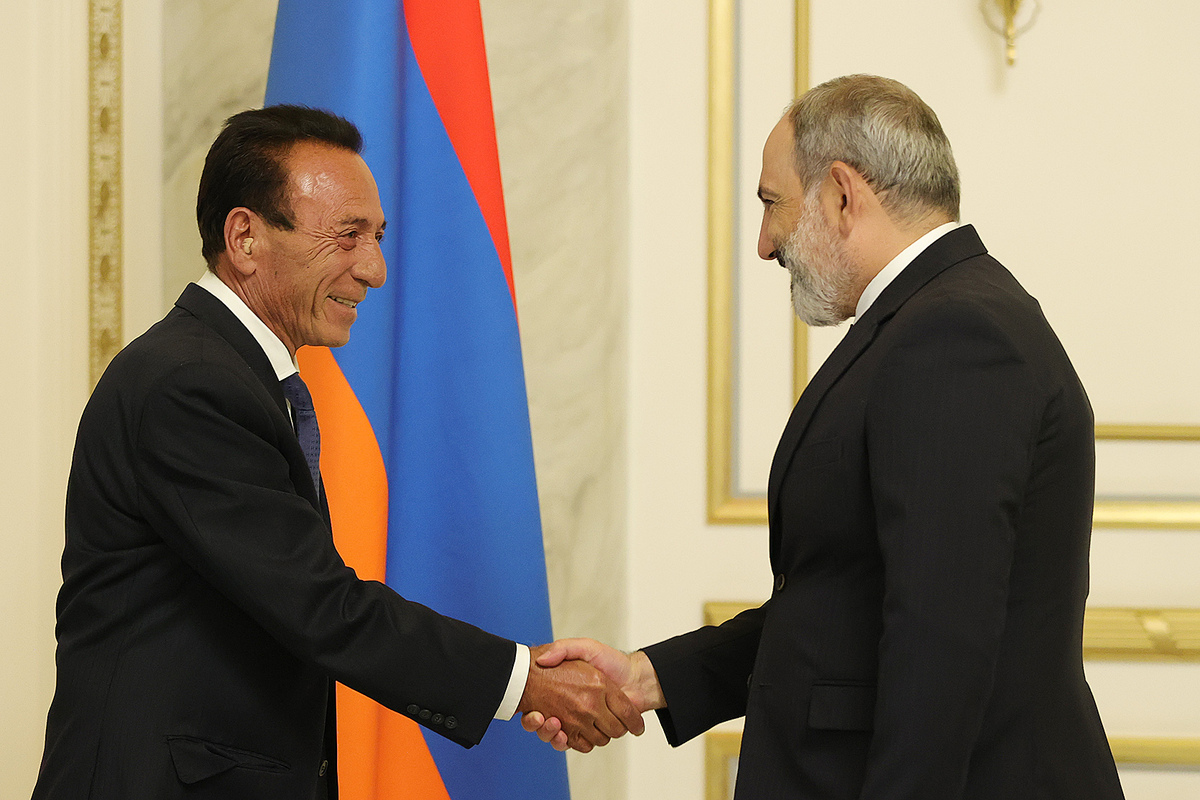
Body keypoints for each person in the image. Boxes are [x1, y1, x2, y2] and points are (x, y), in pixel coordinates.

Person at [525, 75, 1125, 799]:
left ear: (842, 193)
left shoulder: (953, 335)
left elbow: (941, 641)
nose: (764, 244)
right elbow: (848, 601)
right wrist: (651, 678)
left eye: (771, 203)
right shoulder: (934, 319)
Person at [33, 105, 641, 800]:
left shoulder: (232, 374)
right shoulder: (190, 383)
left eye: (377, 237)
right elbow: (320, 606)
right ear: (245, 237)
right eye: (347, 236)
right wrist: (524, 681)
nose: (375, 269)